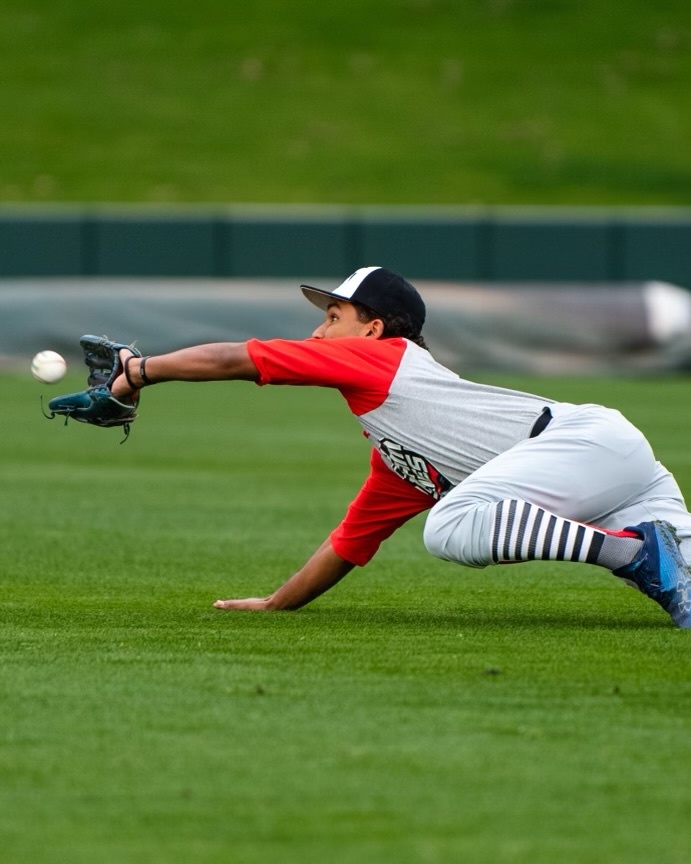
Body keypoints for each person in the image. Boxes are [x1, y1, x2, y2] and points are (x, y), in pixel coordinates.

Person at [112, 266, 691, 628]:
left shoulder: (380, 358)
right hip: (607, 460)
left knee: (448, 526)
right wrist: (275, 604)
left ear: (372, 329)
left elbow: (236, 358)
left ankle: (636, 554)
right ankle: (650, 552)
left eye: (333, 316)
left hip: (578, 446)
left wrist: (138, 371)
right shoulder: (401, 453)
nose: (317, 332)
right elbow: (348, 543)